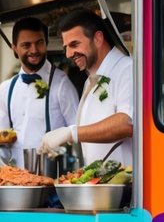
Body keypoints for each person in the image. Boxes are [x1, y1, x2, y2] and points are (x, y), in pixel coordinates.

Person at [38, 9, 133, 167]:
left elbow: (127, 123)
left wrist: (71, 133)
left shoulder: (127, 68)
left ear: (98, 38)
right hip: (100, 184)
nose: (68, 54)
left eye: (74, 44)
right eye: (65, 47)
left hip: (127, 186)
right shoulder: (90, 81)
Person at [0, 16, 79, 167]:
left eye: (39, 43)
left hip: (52, 177)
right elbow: (2, 134)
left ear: (46, 43)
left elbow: (78, 132)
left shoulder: (62, 84)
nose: (34, 50)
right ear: (14, 49)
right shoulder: (6, 88)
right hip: (16, 179)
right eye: (26, 45)